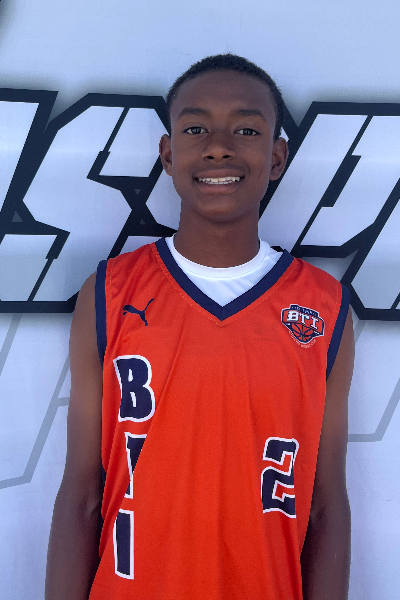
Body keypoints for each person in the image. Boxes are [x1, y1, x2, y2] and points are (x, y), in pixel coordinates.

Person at [45, 54, 354, 600]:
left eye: (246, 129)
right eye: (195, 129)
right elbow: (82, 496)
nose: (218, 147)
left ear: (277, 156)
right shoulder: (111, 292)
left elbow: (325, 507)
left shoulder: (323, 307)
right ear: (167, 154)